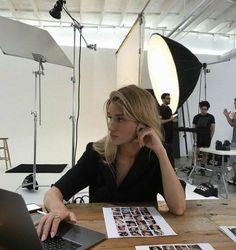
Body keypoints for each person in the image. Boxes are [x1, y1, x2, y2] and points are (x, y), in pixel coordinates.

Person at [36, 85, 186, 241]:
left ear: (143, 123)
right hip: (100, 239)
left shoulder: (157, 155)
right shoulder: (96, 153)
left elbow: (178, 207)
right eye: (110, 117)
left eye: (120, 119)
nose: (110, 126)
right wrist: (58, 209)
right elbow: (53, 193)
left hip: (143, 240)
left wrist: (160, 152)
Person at [192, 101, 215, 175]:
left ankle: (202, 167)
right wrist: (194, 138)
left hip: (206, 137)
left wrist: (210, 137)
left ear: (207, 109)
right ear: (200, 108)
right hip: (198, 137)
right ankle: (193, 166)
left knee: (205, 153)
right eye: (202, 109)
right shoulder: (196, 117)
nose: (203, 110)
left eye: (205, 109)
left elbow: (213, 128)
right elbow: (193, 128)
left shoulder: (211, 117)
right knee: (196, 152)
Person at [223, 98, 236, 184]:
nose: (235, 105)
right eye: (234, 103)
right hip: (234, 140)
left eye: (235, 103)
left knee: (234, 160)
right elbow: (232, 124)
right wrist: (227, 116)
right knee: (234, 160)